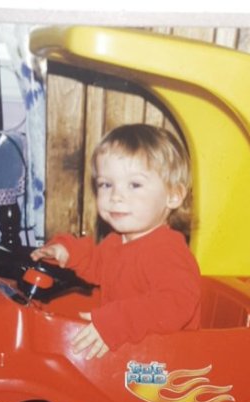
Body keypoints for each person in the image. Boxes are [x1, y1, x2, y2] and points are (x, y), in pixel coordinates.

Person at [31, 124, 201, 360]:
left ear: (173, 196)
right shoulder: (117, 242)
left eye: (135, 184)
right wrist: (65, 250)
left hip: (163, 366)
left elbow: (176, 304)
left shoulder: (167, 251)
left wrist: (117, 322)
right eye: (106, 184)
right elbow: (95, 261)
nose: (116, 196)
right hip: (131, 357)